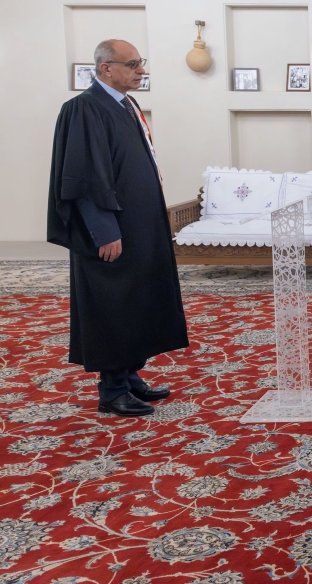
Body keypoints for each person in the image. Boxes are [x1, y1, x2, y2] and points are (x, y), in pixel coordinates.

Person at [48, 39, 188, 417]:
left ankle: (129, 377)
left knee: (137, 299)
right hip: (111, 231)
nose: (140, 70)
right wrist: (104, 229)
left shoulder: (125, 104)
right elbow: (82, 178)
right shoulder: (83, 109)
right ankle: (111, 390)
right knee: (112, 304)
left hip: (138, 224)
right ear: (106, 68)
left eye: (141, 63)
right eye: (132, 64)